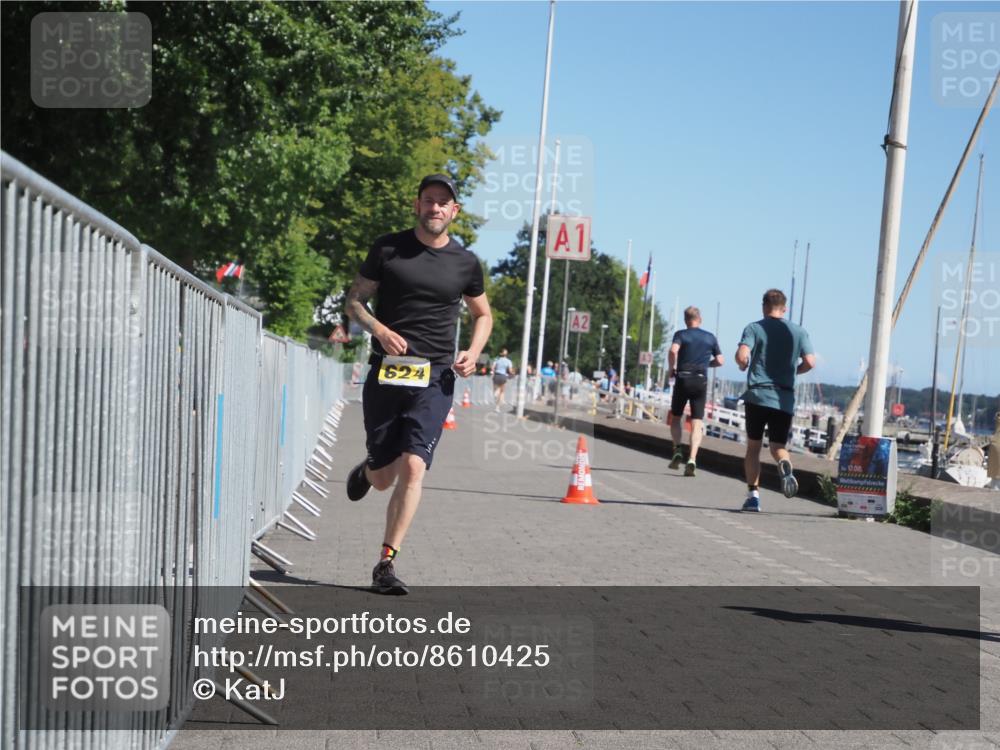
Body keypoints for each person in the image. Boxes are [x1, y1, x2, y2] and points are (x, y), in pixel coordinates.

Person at [343, 173, 492, 593]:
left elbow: (484, 314)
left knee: (413, 465)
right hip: (387, 372)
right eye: (429, 200)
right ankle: (368, 470)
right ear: (417, 205)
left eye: (443, 202)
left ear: (454, 211)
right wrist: (379, 329)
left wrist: (474, 352)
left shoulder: (465, 262)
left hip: (436, 377)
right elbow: (355, 301)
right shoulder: (389, 248)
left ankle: (386, 563)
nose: (435, 208)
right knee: (384, 476)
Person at [735, 289, 815, 512]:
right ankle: (783, 462)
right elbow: (810, 361)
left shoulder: (754, 328)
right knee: (778, 446)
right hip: (784, 397)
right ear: (785, 307)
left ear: (764, 306)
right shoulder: (799, 332)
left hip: (758, 396)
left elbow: (742, 355)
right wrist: (792, 371)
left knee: (753, 447)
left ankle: (753, 497)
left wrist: (743, 364)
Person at [667, 306, 724, 476]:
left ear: (686, 320)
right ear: (700, 319)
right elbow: (720, 360)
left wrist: (672, 368)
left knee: (676, 418)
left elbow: (672, 350)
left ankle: (677, 449)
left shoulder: (681, 335)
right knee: (697, 422)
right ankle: (692, 458)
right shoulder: (710, 337)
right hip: (700, 380)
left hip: (683, 378)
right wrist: (707, 364)